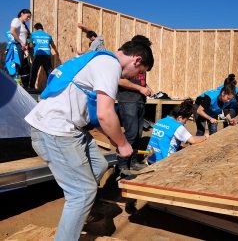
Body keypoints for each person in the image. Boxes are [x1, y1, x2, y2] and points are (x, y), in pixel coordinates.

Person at [24, 36, 154, 241]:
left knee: (99, 164)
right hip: (56, 132)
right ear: (136, 60)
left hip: (65, 128)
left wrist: (112, 137)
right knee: (82, 192)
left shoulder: (97, 59)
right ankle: (78, 211)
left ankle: (82, 212)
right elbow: (105, 113)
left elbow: (92, 114)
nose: (133, 77)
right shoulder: (110, 65)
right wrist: (122, 143)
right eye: (139, 72)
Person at [116, 35, 154, 176]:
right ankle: (121, 166)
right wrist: (140, 89)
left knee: (137, 134)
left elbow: (140, 82)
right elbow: (119, 80)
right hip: (127, 100)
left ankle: (132, 163)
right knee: (131, 134)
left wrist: (146, 88)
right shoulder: (125, 60)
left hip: (139, 100)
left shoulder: (141, 62)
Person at [146, 99, 208, 164]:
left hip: (151, 158)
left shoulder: (161, 121)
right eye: (186, 120)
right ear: (180, 118)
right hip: (163, 161)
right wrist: (205, 137)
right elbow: (193, 140)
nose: (185, 122)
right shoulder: (177, 126)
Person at [29, 23, 59, 89]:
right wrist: (57, 52)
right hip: (47, 55)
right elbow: (53, 45)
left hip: (38, 55)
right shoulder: (48, 35)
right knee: (49, 72)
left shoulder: (33, 35)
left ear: (35, 29)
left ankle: (31, 87)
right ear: (42, 28)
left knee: (34, 71)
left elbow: (30, 45)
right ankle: (51, 87)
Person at [9, 9, 31, 87]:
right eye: (27, 16)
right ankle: (14, 85)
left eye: (29, 17)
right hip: (17, 46)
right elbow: (12, 31)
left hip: (23, 48)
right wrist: (21, 42)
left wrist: (26, 45)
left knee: (25, 68)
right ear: (22, 14)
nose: (28, 18)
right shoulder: (16, 20)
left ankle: (25, 87)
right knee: (18, 66)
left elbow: (26, 37)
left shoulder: (24, 24)